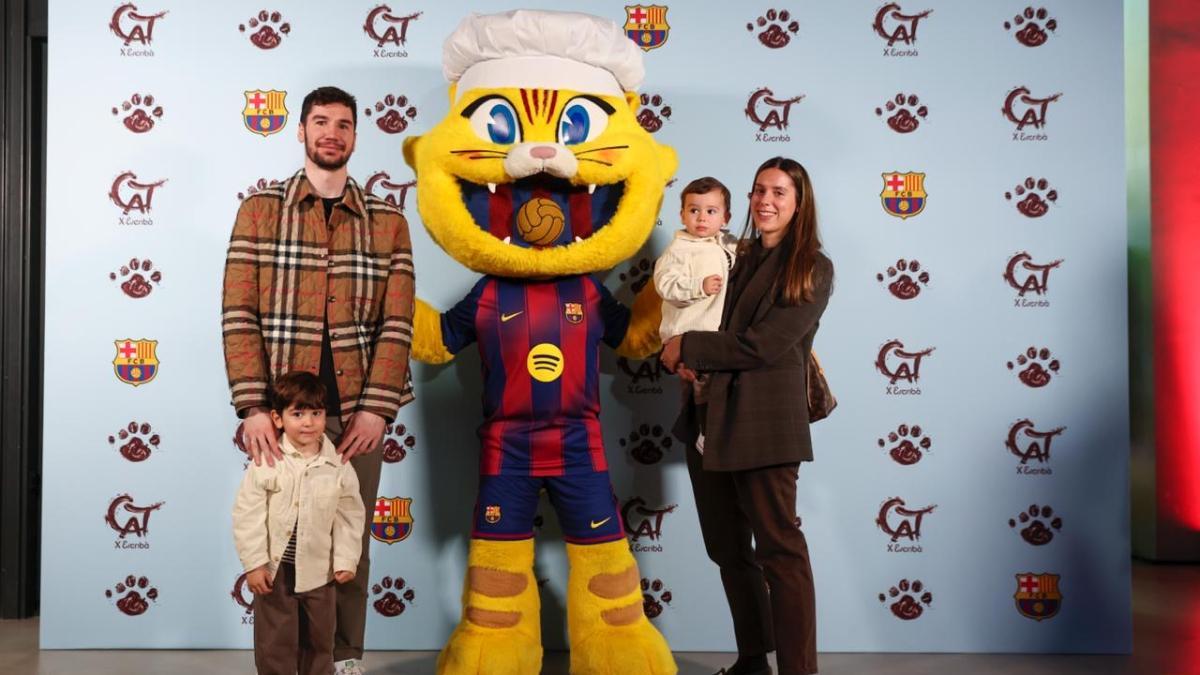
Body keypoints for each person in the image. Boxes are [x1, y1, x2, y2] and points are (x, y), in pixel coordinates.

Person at [222, 85, 415, 675]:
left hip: (357, 413)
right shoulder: (260, 210)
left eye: (343, 124)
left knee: (347, 542)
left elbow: (397, 323)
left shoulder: (388, 221)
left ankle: (344, 659)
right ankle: (285, 664)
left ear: (355, 135)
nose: (332, 133)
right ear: (301, 130)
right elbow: (239, 314)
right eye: (321, 121)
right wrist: (254, 406)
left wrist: (377, 408)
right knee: (278, 544)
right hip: (282, 413)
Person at [660, 156, 834, 675]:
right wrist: (678, 354)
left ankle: (799, 671)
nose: (766, 201)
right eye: (759, 190)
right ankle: (753, 662)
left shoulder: (812, 267)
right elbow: (692, 314)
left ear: (799, 203)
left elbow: (763, 345)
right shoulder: (730, 254)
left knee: (780, 552)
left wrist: (687, 346)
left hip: (765, 425)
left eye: (779, 192)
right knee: (728, 550)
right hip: (707, 418)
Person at [232, 371, 366, 675]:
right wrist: (254, 563)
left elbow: (350, 516)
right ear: (277, 419)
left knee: (319, 639)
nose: (308, 422)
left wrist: (346, 559)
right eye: (298, 414)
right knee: (274, 639)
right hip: (275, 570)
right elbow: (247, 514)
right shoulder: (267, 462)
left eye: (316, 413)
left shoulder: (338, 465)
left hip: (320, 570)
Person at [652, 176, 738, 445]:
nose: (702, 218)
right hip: (687, 337)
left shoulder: (726, 245)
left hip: (714, 337)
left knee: (716, 389)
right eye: (693, 210)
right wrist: (698, 286)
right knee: (695, 388)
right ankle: (699, 433)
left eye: (711, 211)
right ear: (682, 215)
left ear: (725, 218)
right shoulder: (679, 249)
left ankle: (712, 432)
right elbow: (665, 285)